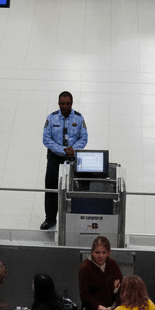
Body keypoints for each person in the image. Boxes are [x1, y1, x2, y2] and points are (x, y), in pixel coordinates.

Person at [40, 91, 88, 231]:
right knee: (51, 188)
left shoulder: (79, 119)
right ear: (58, 103)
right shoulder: (52, 118)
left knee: (75, 188)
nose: (65, 106)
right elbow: (46, 139)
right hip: (55, 157)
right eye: (62, 103)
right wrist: (62, 150)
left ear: (71, 103)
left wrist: (73, 150)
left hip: (73, 157)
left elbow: (83, 138)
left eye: (67, 103)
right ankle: (50, 219)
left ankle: (74, 219)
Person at [78, 235, 123, 310]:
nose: (100, 256)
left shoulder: (112, 264)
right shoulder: (86, 267)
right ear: (92, 252)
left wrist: (114, 306)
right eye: (97, 252)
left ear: (108, 253)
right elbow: (85, 296)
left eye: (104, 252)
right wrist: (98, 307)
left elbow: (121, 287)